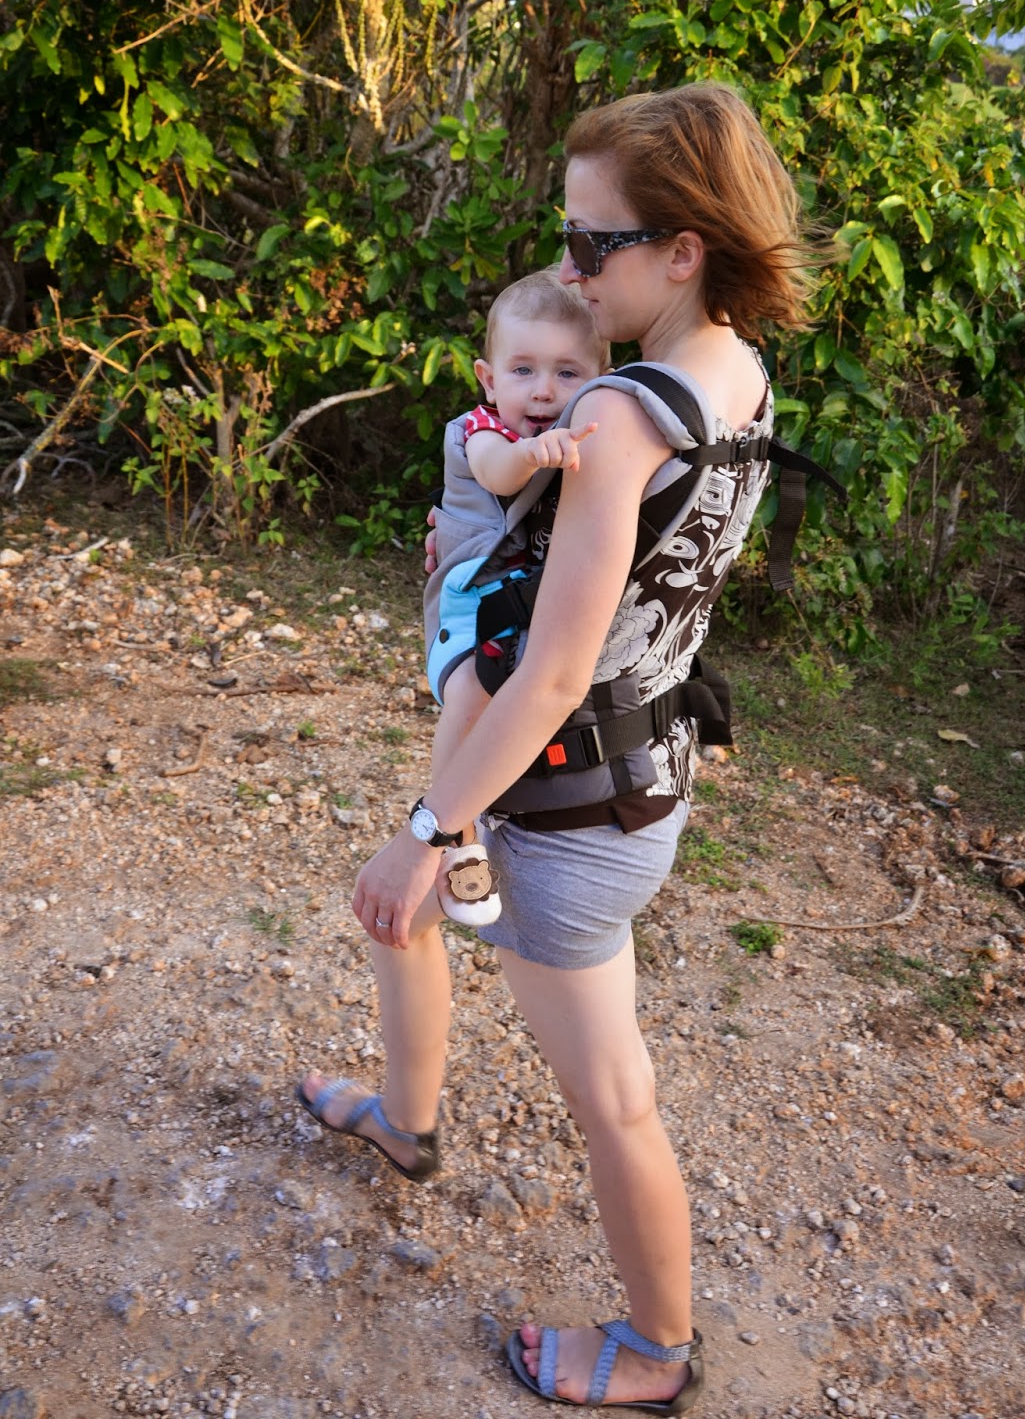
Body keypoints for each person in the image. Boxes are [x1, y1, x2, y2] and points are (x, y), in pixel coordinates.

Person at [297, 81, 817, 1413]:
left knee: (610, 1095)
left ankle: (655, 1348)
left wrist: (431, 830)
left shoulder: (622, 414)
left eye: (593, 242)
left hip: (570, 798)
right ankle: (406, 1119)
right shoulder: (733, 369)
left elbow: (554, 671)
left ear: (680, 249)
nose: (573, 271)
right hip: (633, 769)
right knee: (406, 926)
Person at [424, 269, 606, 924]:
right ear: (488, 378)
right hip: (468, 601)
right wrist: (533, 452)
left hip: (523, 600)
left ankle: (495, 807)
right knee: (475, 692)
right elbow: (497, 474)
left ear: (602, 380)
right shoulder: (481, 431)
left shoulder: (583, 440)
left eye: (567, 372)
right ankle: (453, 836)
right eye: (523, 370)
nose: (543, 390)